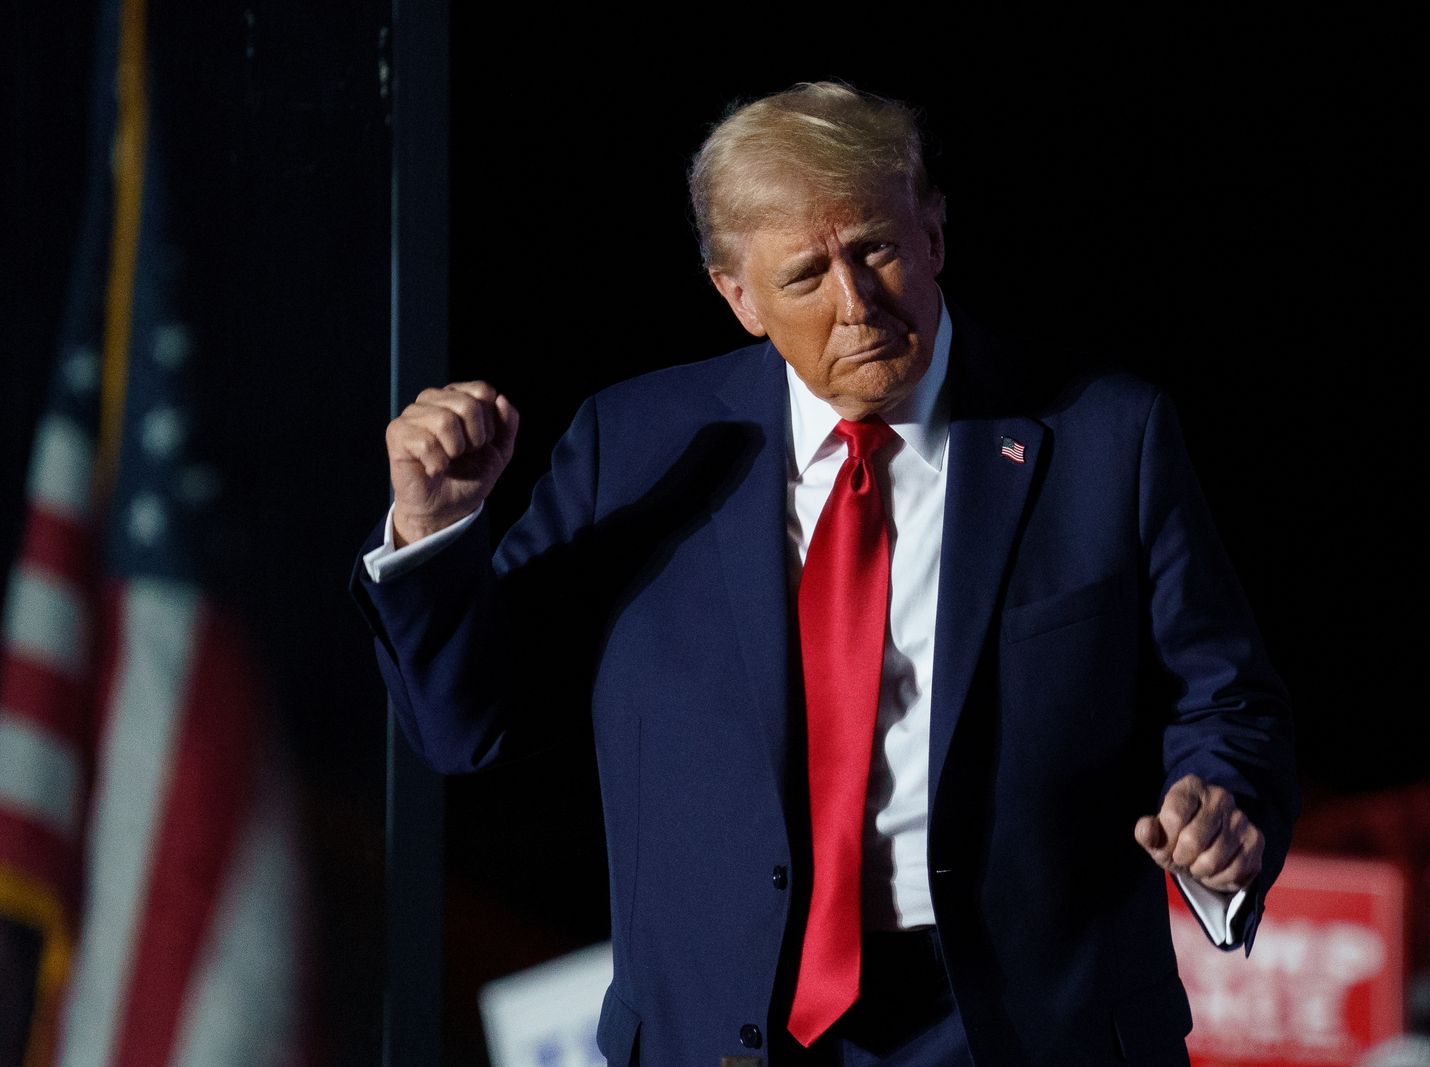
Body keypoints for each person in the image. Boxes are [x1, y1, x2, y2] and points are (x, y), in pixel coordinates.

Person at [351, 82, 1298, 1067]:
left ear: (932, 230)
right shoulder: (633, 449)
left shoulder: (1103, 435)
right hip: (727, 1030)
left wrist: (1221, 802)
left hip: (1028, 1026)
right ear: (738, 297)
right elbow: (463, 725)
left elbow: (1226, 696)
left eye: (876, 250)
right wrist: (433, 526)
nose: (857, 306)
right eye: (805, 275)